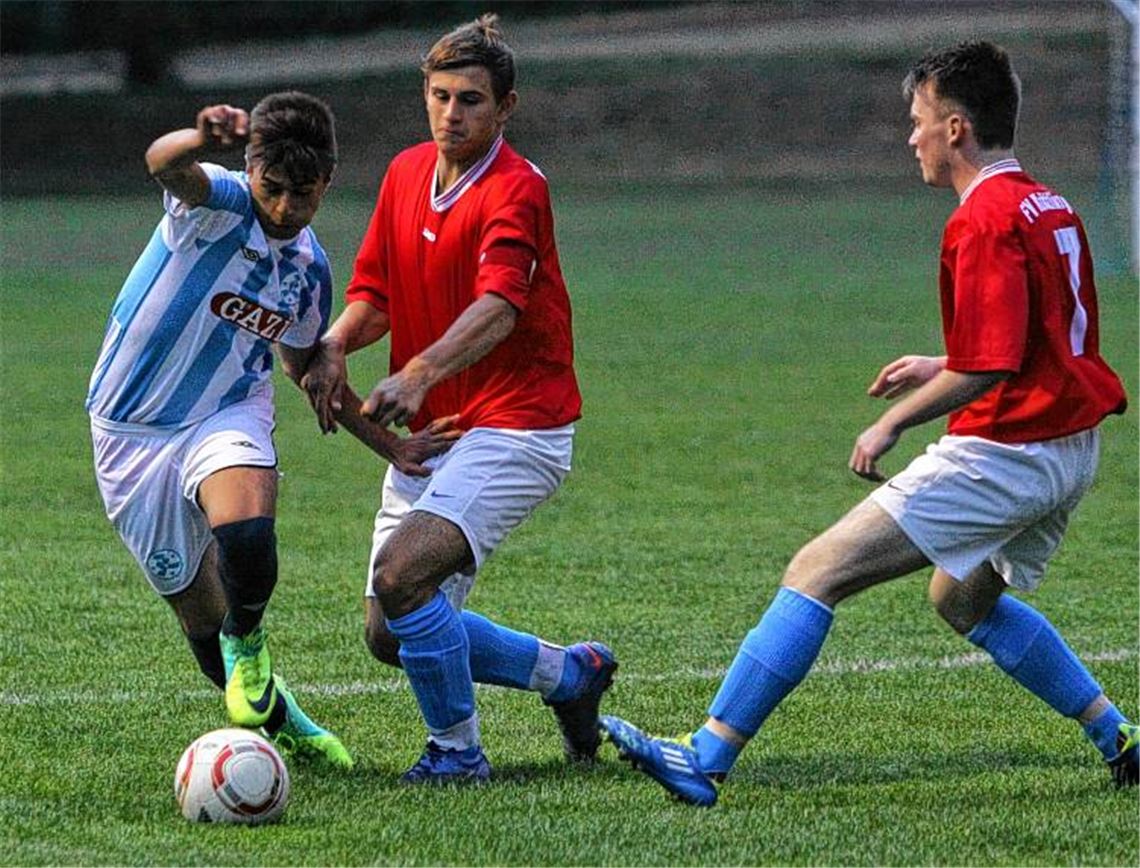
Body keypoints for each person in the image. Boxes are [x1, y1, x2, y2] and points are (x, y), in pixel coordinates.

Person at [599, 40, 1138, 807]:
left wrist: (895, 423)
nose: (909, 137)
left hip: (1008, 452)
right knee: (960, 600)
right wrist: (939, 363)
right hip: (1070, 449)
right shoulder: (1046, 203)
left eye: (918, 121)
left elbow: (990, 366)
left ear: (955, 129)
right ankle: (1119, 736)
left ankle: (705, 754)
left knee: (817, 570)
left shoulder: (981, 218)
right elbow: (1032, 339)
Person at [87, 92, 454, 769]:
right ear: (250, 167)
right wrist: (199, 137)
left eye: (303, 195)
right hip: (129, 431)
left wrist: (392, 446)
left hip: (227, 410)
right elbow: (162, 163)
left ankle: (249, 642)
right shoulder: (216, 202)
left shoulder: (308, 272)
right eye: (273, 188)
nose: (285, 208)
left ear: (327, 183)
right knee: (201, 622)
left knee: (248, 531)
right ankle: (281, 716)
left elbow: (306, 372)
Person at [301, 14, 616, 785]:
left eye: (471, 100)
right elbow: (376, 288)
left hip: (519, 423)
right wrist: (337, 342)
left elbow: (501, 305)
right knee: (389, 631)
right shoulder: (407, 172)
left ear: (506, 108)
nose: (452, 113)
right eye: (440, 97)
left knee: (404, 578)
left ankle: (456, 752)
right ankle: (568, 676)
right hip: (437, 433)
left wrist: (417, 372)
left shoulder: (517, 188)